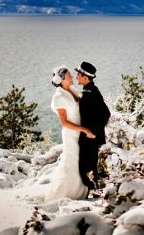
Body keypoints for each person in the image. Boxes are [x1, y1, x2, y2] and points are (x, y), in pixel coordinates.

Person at [44, 65, 96, 202]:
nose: (72, 77)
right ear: (61, 80)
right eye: (69, 76)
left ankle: (80, 191)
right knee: (70, 163)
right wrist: (85, 130)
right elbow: (65, 123)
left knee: (81, 162)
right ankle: (62, 194)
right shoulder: (58, 97)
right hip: (71, 135)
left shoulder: (72, 89)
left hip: (81, 134)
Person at [75, 61, 111, 194]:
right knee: (88, 167)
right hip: (88, 137)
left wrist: (92, 132)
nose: (76, 76)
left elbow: (106, 113)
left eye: (78, 74)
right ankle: (95, 191)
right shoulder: (88, 90)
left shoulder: (92, 92)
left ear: (85, 77)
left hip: (90, 137)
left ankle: (96, 193)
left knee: (86, 168)